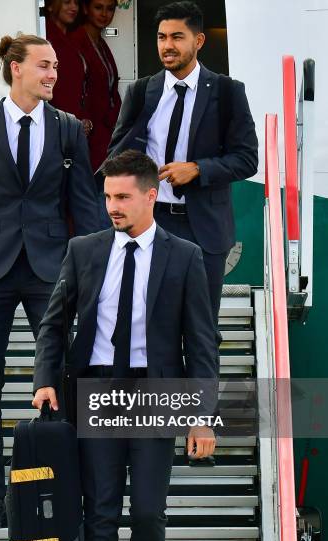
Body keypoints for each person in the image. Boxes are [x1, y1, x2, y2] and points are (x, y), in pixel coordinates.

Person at [32, 150, 218, 541]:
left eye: (123, 196)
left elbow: (201, 344)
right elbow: (55, 323)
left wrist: (201, 417)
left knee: (150, 514)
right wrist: (45, 378)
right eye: (108, 196)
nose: (112, 205)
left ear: (151, 195)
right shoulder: (84, 250)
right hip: (95, 393)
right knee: (100, 515)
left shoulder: (185, 257)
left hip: (156, 395)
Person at [0, 33, 100, 529]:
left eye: (55, 67)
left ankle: (62, 490)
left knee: (61, 378)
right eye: (45, 66)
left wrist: (101, 269)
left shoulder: (69, 129)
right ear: (15, 68)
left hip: (52, 269)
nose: (54, 74)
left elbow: (85, 205)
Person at [104, 1, 258, 329]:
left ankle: (201, 384)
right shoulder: (142, 90)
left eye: (177, 37)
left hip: (204, 229)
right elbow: (116, 153)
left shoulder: (228, 92)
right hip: (151, 224)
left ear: (198, 41)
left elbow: (247, 159)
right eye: (161, 38)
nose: (167, 46)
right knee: (151, 327)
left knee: (201, 329)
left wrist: (198, 169)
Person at [70, 0, 121, 171]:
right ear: (85, 8)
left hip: (106, 130)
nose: (104, 14)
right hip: (87, 130)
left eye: (110, 9)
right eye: (98, 7)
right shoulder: (75, 41)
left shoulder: (100, 42)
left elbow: (111, 87)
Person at [45, 0, 93, 135]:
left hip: (76, 121)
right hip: (58, 123)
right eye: (67, 2)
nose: (74, 8)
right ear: (50, 5)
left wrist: (84, 117)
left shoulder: (71, 38)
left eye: (76, 3)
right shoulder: (45, 38)